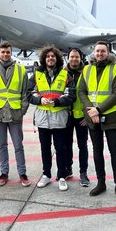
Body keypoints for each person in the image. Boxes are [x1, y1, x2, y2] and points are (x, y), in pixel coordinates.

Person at [78, 41, 116, 201]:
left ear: (108, 53)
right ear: (93, 52)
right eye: (97, 51)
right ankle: (101, 183)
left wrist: (98, 109)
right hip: (92, 117)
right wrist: (90, 110)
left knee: (115, 152)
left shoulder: (115, 69)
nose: (100, 53)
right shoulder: (86, 69)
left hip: (111, 117)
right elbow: (81, 91)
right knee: (97, 151)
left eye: (103, 51)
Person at [28, 45, 75, 191]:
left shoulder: (65, 75)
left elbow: (71, 95)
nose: (50, 58)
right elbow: (28, 93)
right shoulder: (37, 74)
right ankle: (46, 174)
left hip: (59, 118)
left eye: (53, 56)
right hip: (43, 119)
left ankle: (61, 176)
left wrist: (57, 102)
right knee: (45, 149)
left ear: (57, 59)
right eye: (48, 56)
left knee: (60, 148)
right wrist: (39, 100)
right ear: (44, 59)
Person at [0, 42, 31, 187]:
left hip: (15, 112)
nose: (5, 54)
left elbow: (25, 93)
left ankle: (22, 173)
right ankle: (4, 173)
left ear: (11, 53)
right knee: (2, 145)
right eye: (3, 52)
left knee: (18, 145)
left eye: (8, 52)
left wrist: (22, 110)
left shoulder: (21, 70)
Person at [64, 48, 90, 187]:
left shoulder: (87, 73)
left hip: (81, 116)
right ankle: (68, 169)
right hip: (67, 116)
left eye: (77, 57)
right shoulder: (62, 73)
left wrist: (88, 115)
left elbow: (91, 94)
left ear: (81, 58)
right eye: (72, 57)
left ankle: (83, 173)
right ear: (68, 58)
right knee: (67, 145)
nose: (74, 59)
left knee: (82, 146)